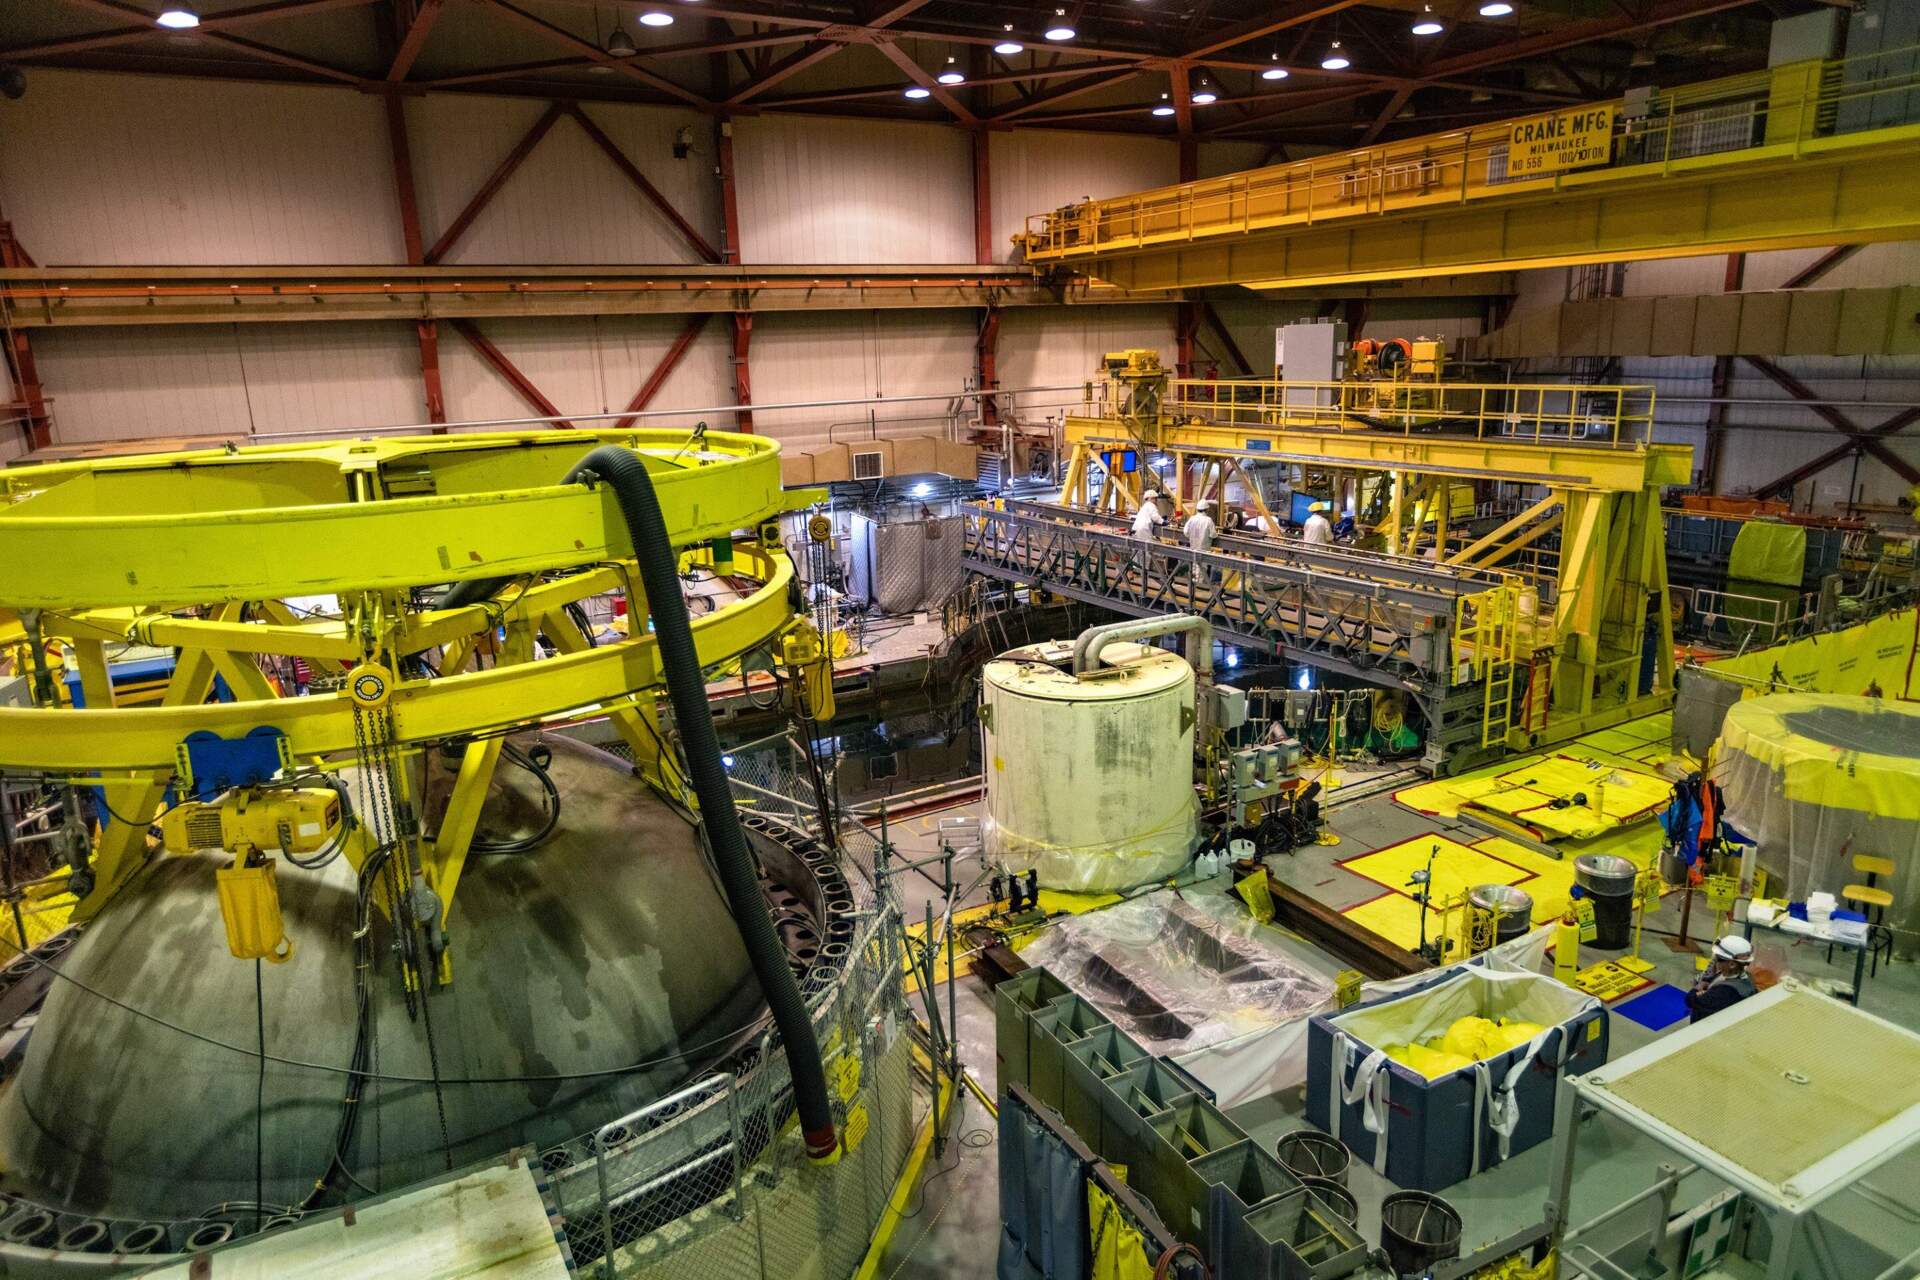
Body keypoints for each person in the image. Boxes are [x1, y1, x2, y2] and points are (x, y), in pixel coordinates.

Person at [1686, 935, 1756, 1023]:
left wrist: (1698, 988)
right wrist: (1706, 983)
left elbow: (1691, 1000)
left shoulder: (1726, 992)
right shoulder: (1736, 974)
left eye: (1718, 958)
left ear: (1732, 964)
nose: (1714, 960)